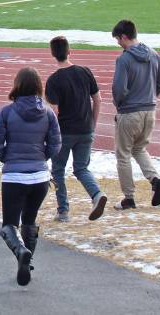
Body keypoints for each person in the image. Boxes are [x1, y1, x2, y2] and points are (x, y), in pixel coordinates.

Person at [0, 67, 61, 286]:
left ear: (17, 85)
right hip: (39, 176)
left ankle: (21, 252)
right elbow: (56, 144)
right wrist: (41, 158)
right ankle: (27, 262)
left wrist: (9, 160)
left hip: (14, 176)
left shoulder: (7, 112)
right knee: (29, 220)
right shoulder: (48, 112)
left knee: (9, 225)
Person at [45, 36, 107, 222]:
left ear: (53, 54)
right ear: (69, 51)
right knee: (81, 168)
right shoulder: (85, 72)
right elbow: (98, 99)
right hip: (86, 128)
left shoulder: (54, 80)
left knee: (57, 170)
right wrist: (93, 123)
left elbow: (53, 110)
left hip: (64, 131)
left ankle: (63, 210)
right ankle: (96, 194)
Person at [111, 19, 160, 210]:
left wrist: (119, 104)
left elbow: (119, 88)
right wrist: (151, 97)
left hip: (129, 111)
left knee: (123, 154)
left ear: (124, 37)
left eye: (118, 39)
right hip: (149, 110)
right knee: (139, 148)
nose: (118, 43)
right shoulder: (153, 54)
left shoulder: (124, 59)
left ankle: (129, 197)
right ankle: (155, 179)